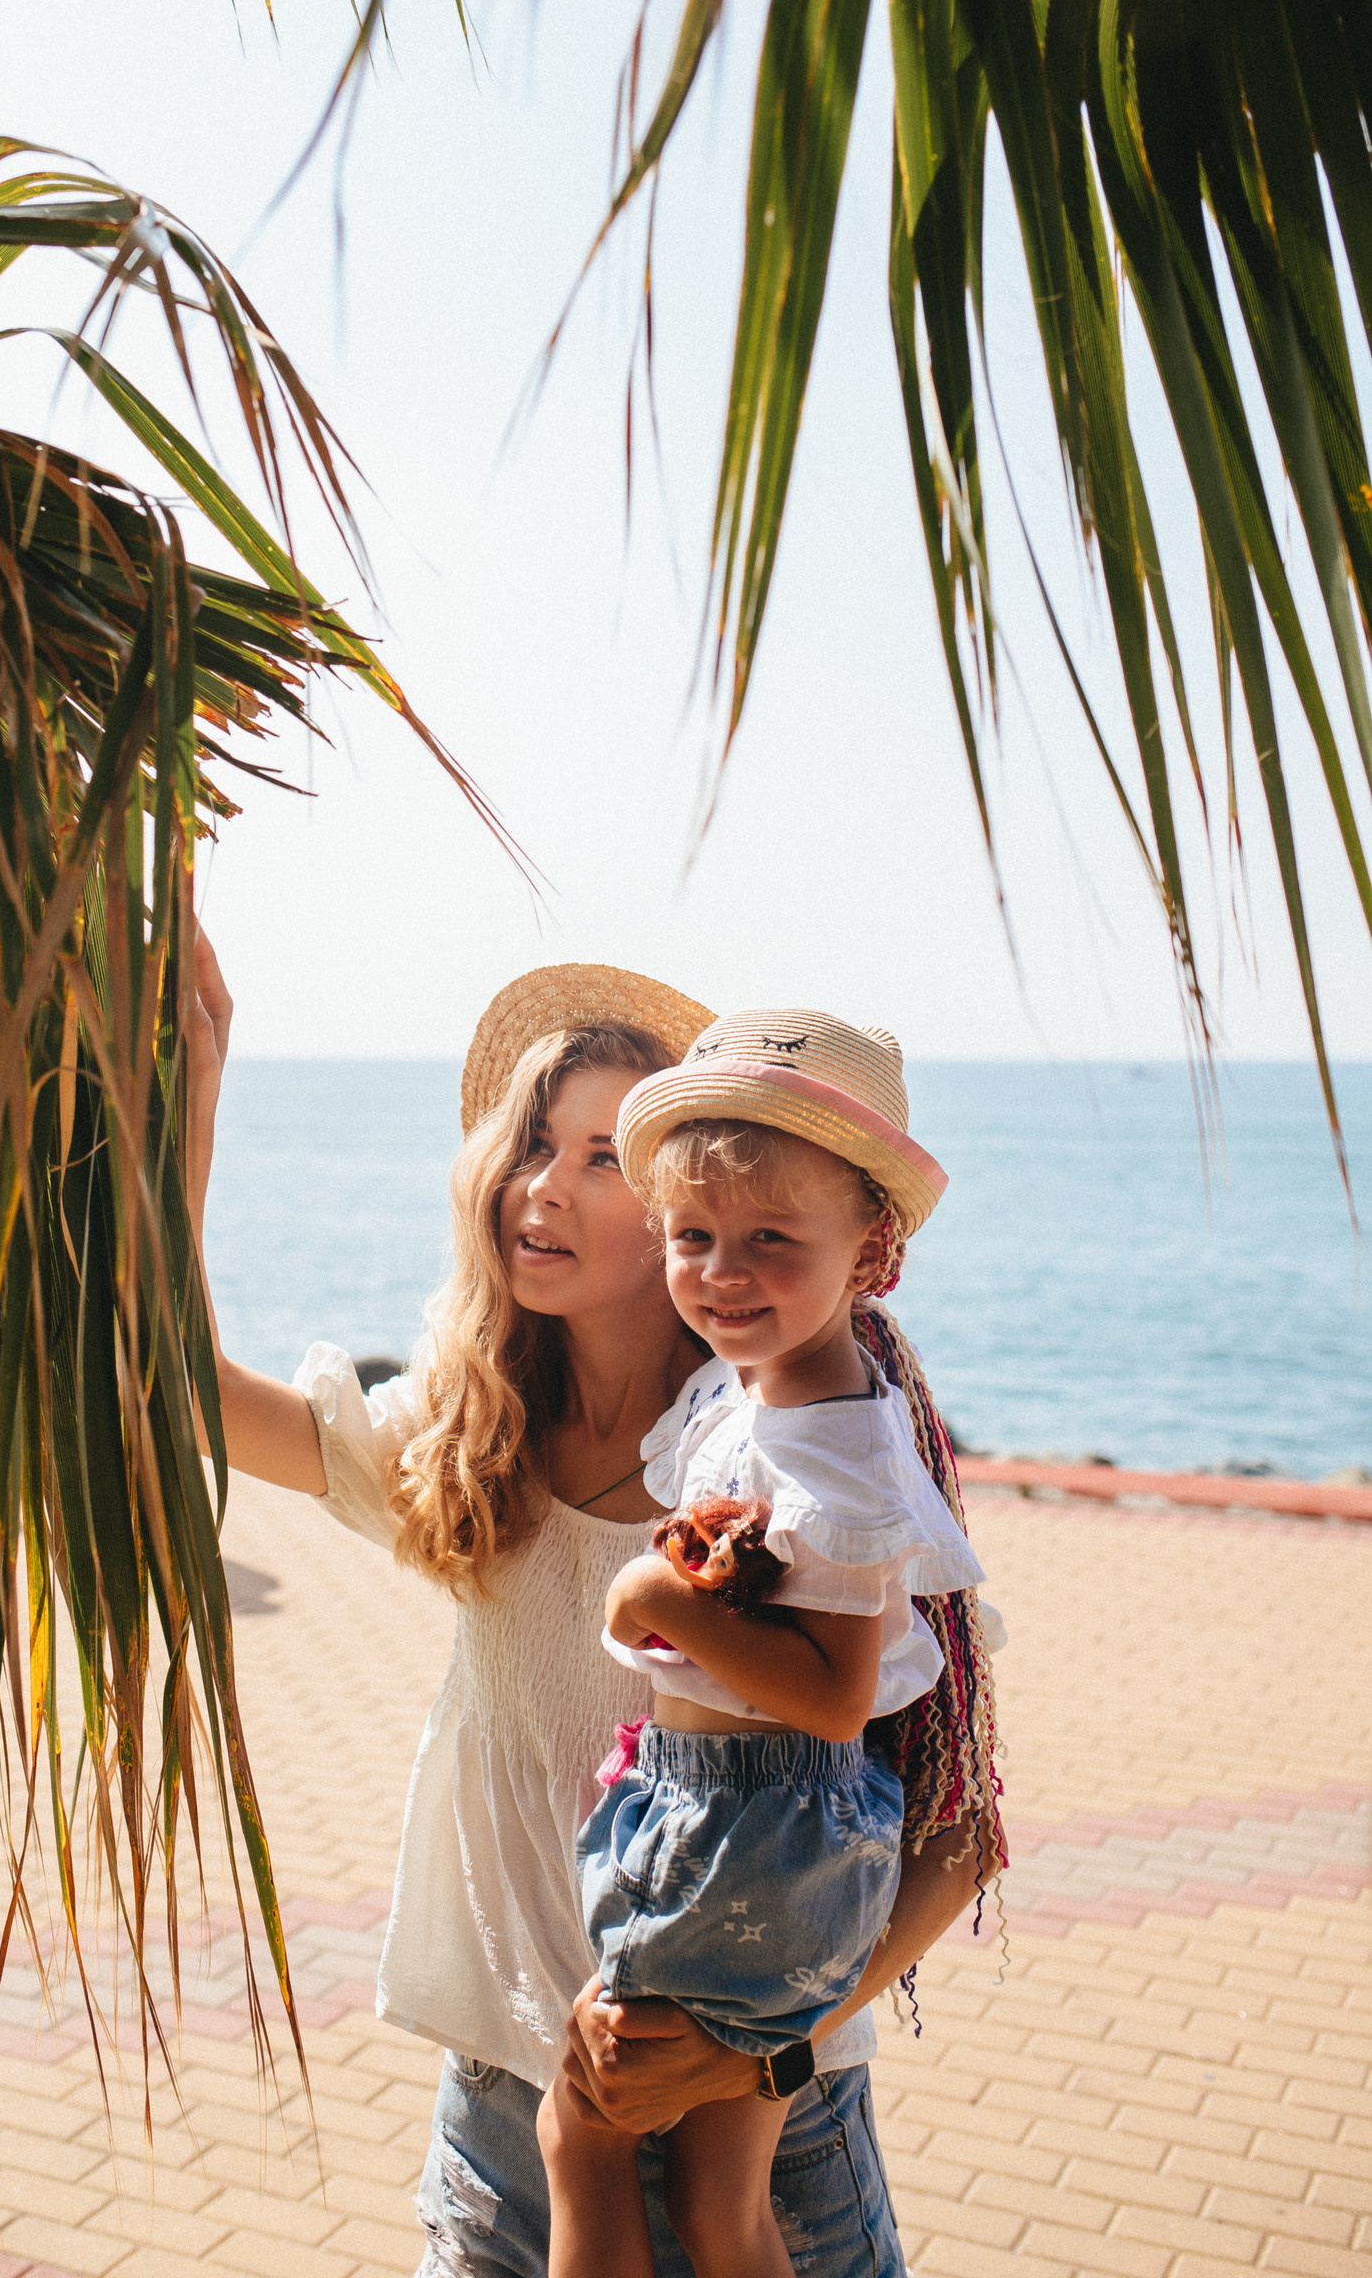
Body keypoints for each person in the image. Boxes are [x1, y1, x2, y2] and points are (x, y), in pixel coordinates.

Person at [181, 941, 1006, 2278]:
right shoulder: (461, 1448)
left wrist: (762, 2041)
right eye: (529, 1146)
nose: (542, 1188)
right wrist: (190, 1103)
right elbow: (181, 1389)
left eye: (601, 1157)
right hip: (508, 2132)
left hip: (767, 2132)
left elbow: (957, 1829)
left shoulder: (792, 1462)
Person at [536, 1009, 984, 2278]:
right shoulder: (763, 1394)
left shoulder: (838, 1447)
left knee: (582, 2132)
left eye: (770, 1241)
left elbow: (841, 1698)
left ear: (872, 1250)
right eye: (691, 1237)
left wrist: (662, 1605)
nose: (720, 1273)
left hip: (753, 1831)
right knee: (717, 2208)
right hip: (753, 1824)